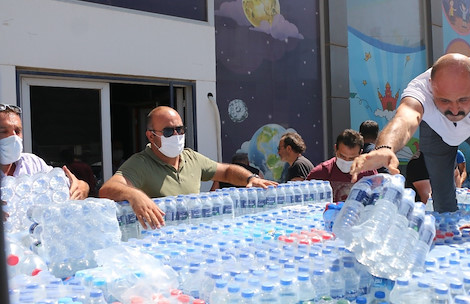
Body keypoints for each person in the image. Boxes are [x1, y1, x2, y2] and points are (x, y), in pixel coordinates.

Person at [350, 53, 470, 236]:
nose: (454, 110)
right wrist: (385, 148)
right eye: (444, 100)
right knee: (442, 194)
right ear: (431, 86)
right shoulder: (420, 88)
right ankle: (449, 237)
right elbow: (405, 119)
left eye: (463, 99)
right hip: (436, 131)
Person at [99, 106, 277, 229]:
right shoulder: (141, 163)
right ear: (151, 137)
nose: (176, 135)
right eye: (168, 131)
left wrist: (250, 179)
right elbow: (107, 189)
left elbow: (227, 171)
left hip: (191, 240)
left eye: (180, 129)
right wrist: (134, 194)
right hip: (160, 243)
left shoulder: (191, 157)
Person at [0, 104, 89, 200]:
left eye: (17, 131)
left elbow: (72, 186)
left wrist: (82, 187)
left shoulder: (32, 163)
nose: (14, 137)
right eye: (3, 131)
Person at [307, 129, 377, 201]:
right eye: (342, 156)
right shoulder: (321, 172)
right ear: (335, 149)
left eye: (351, 158)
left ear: (360, 153)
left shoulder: (368, 172)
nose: (346, 161)